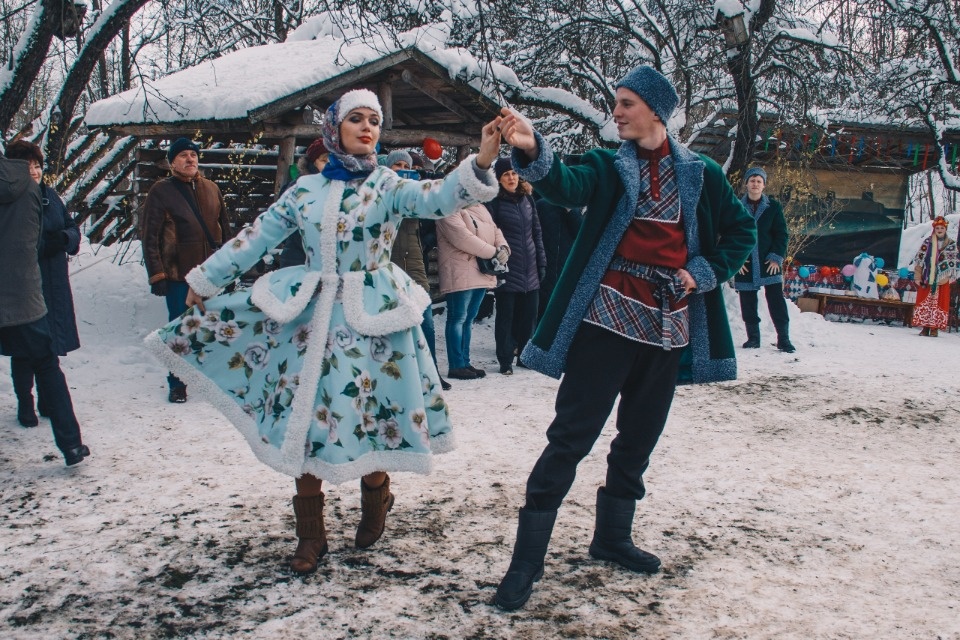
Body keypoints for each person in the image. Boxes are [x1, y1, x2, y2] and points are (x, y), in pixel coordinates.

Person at [145, 89, 502, 575]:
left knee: (371, 415)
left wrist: (483, 158)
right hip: (310, 323)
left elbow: (438, 197)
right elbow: (254, 238)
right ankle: (311, 537)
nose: (367, 128)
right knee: (307, 424)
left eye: (374, 120)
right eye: (356, 118)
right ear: (334, 129)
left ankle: (376, 499)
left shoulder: (388, 185)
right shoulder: (305, 191)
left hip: (372, 322)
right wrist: (205, 278)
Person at [493, 65, 756, 611]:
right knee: (571, 437)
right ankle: (525, 564)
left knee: (638, 439)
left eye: (627, 102)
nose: (616, 111)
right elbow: (566, 182)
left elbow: (741, 230)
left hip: (669, 328)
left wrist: (702, 273)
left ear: (656, 110)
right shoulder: (610, 167)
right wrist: (529, 145)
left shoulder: (701, 173)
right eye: (616, 101)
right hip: (606, 324)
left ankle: (611, 537)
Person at [1, 151, 89, 466]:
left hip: (30, 287)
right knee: (45, 362)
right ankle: (71, 444)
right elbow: (33, 241)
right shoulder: (30, 192)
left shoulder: (45, 194)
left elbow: (62, 230)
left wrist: (63, 239)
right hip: (26, 290)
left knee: (37, 358)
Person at [141, 137, 232, 403]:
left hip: (210, 274)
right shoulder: (161, 191)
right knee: (181, 331)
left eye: (193, 154)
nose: (190, 159)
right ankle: (177, 382)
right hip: (178, 274)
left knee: (213, 327)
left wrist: (229, 270)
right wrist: (157, 274)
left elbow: (225, 232)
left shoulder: (212, 189)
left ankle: (213, 380)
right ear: (172, 162)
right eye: (183, 155)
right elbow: (150, 237)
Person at [384, 149, 451, 391]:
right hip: (388, 266)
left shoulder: (415, 195)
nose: (402, 169)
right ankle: (398, 377)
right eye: (397, 165)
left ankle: (431, 374)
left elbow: (432, 214)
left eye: (406, 165)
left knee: (427, 322)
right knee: (392, 323)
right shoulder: (380, 192)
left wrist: (424, 185)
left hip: (414, 263)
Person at [487, 157, 546, 375]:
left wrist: (541, 261)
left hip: (530, 266)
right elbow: (491, 234)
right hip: (507, 268)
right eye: (506, 175)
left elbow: (536, 233)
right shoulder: (494, 202)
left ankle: (524, 356)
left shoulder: (527, 199)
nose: (511, 178)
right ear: (499, 179)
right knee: (506, 316)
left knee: (529, 315)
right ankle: (505, 360)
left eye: (513, 173)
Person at [436, 203, 509, 379]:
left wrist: (504, 249)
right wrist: (493, 252)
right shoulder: (447, 207)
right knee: (458, 318)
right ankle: (456, 365)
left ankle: (465, 362)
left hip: (480, 269)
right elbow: (462, 238)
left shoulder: (480, 207)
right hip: (460, 269)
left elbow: (495, 229)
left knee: (468, 319)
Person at [733, 167, 794, 352]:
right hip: (746, 262)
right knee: (748, 302)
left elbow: (781, 234)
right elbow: (730, 233)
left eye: (759, 181)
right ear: (746, 183)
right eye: (752, 180)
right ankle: (753, 338)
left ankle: (784, 339)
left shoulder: (773, 207)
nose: (755, 184)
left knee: (776, 300)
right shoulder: (736, 206)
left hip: (769, 262)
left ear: (764, 185)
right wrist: (737, 259)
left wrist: (776, 257)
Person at [279, 139, 328, 269]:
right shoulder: (296, 187)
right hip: (297, 256)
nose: (329, 164)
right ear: (313, 163)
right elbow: (280, 221)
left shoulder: (338, 187)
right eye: (324, 160)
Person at [534, 196, 582, 319]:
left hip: (564, 264)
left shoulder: (575, 208)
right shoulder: (541, 205)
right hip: (543, 261)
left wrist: (570, 212)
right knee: (540, 302)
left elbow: (579, 234)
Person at [912, 216, 958, 337]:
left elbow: (954, 264)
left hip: (942, 280)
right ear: (934, 229)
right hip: (927, 278)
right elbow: (919, 261)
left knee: (938, 304)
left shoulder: (951, 245)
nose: (939, 230)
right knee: (925, 303)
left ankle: (934, 328)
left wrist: (949, 277)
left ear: (945, 229)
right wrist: (918, 277)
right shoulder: (927, 243)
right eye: (937, 227)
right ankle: (925, 327)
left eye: (942, 228)